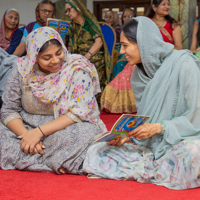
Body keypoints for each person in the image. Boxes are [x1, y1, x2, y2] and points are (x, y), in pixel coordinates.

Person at [83, 17, 200, 190]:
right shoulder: (138, 75)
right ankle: (162, 171)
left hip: (183, 139)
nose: (122, 52)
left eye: (125, 45)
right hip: (152, 147)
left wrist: (159, 127)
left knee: (193, 153)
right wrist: (125, 137)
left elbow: (196, 117)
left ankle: (150, 170)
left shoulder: (184, 63)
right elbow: (146, 118)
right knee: (96, 152)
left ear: (144, 43)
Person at [0, 26, 106, 174]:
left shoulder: (77, 68)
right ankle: (55, 159)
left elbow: (79, 113)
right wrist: (27, 136)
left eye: (59, 53)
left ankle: (32, 156)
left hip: (62, 127)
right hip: (27, 126)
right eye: (46, 57)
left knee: (89, 133)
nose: (55, 61)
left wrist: (39, 133)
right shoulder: (22, 70)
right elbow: (9, 109)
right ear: (33, 57)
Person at [65, 0, 112, 97]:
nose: (67, 13)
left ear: (77, 8)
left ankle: (92, 100)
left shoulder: (88, 23)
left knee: (83, 72)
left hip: (94, 58)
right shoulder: (72, 26)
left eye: (69, 10)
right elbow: (70, 46)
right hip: (79, 59)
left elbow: (99, 42)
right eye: (66, 11)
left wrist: (86, 57)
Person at [101, 8, 137, 114]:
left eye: (129, 16)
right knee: (119, 64)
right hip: (118, 53)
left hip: (133, 55)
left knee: (123, 65)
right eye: (125, 16)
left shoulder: (138, 30)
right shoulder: (118, 29)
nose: (127, 18)